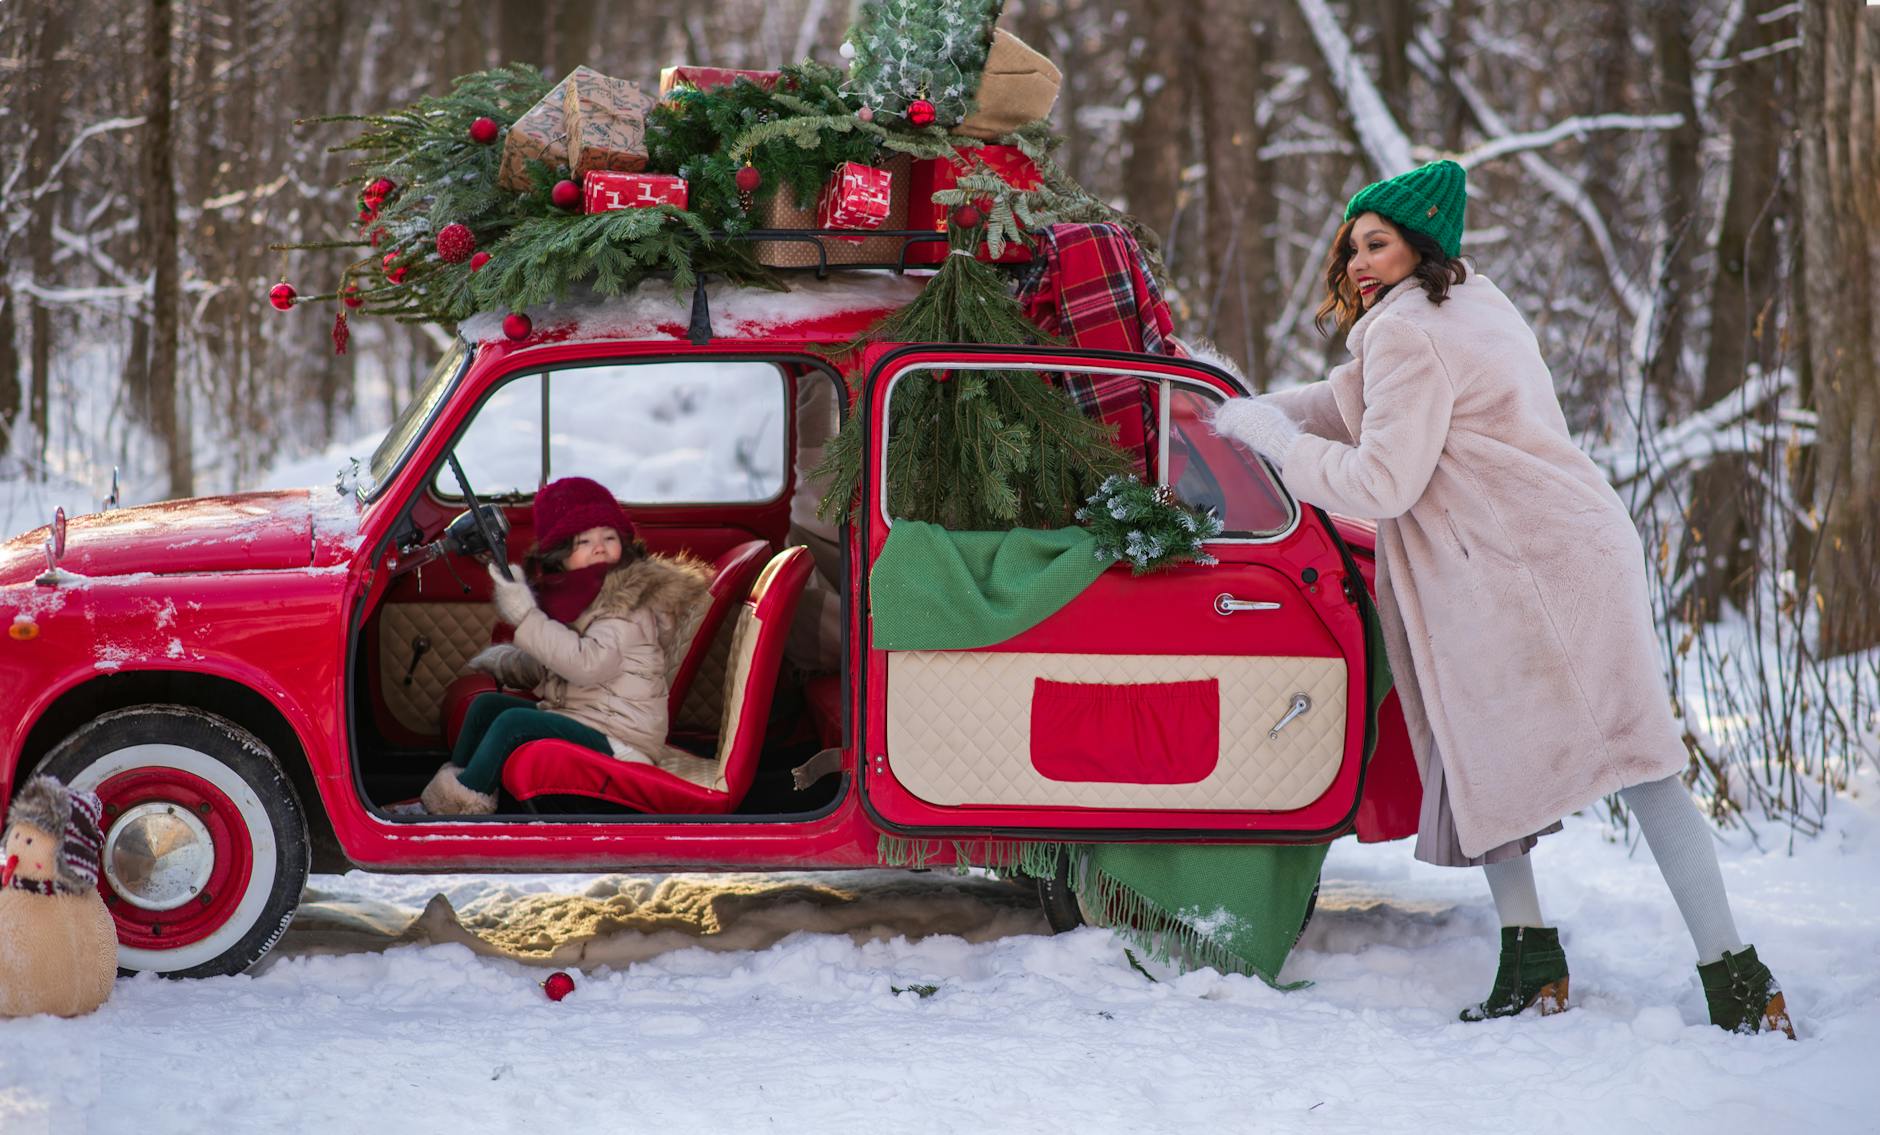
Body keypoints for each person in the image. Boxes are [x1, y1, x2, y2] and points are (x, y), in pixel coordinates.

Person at [1210, 159, 1794, 1037]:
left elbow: (1379, 480)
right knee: (1481, 760)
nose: (1359, 260)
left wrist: (1272, 444)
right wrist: (1236, 401)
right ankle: (1534, 962)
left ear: (1422, 243)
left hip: (1536, 570)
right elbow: (1346, 402)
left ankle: (1740, 979)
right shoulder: (1464, 304)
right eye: (1353, 245)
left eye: (1379, 243)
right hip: (1537, 559)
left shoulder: (1409, 332)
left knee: (1638, 762)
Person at [420, 476, 711, 816]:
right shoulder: (581, 595)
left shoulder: (628, 604)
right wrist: (517, 661)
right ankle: (461, 791)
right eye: (583, 541)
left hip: (621, 736)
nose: (599, 546)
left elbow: (587, 665)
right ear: (560, 557)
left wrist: (526, 616)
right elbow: (562, 660)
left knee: (512, 723)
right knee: (485, 707)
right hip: (588, 716)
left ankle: (461, 806)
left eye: (609, 537)